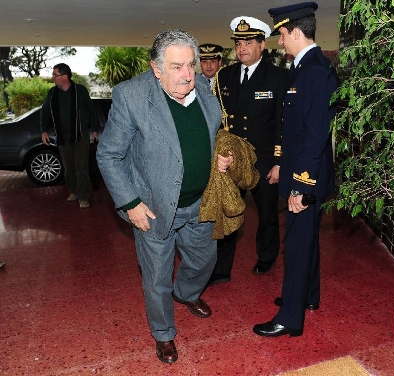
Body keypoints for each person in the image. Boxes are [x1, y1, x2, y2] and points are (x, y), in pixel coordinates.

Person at [96, 29, 232, 364]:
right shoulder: (131, 96)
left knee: (205, 261)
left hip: (201, 201)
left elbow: (210, 134)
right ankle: (164, 334)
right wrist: (130, 204)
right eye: (177, 67)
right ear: (156, 68)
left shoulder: (202, 86)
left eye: (191, 64)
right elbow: (109, 155)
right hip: (153, 208)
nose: (188, 74)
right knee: (157, 278)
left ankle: (186, 294)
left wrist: (219, 158)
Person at [253, 2, 339, 337]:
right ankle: (308, 297)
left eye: (282, 34)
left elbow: (316, 134)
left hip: (306, 176)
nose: (279, 41)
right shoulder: (304, 67)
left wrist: (301, 186)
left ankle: (289, 317)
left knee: (298, 243)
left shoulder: (315, 71)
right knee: (308, 239)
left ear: (297, 32)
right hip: (299, 171)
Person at [208, 16, 288, 286]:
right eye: (239, 42)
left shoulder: (277, 77)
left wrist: (279, 161)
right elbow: (218, 120)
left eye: (249, 42)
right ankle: (221, 268)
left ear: (262, 45)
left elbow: (282, 122)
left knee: (267, 214)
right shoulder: (224, 76)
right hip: (231, 160)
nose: (242, 47)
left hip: (263, 160)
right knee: (228, 211)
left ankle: (267, 256)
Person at [40, 63, 98, 209]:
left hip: (80, 134)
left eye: (55, 74)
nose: (53, 77)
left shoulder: (80, 91)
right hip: (62, 136)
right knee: (69, 167)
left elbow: (91, 110)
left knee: (81, 167)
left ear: (64, 76)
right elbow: (44, 112)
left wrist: (95, 129)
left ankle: (84, 196)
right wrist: (44, 131)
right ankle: (73, 191)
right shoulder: (52, 93)